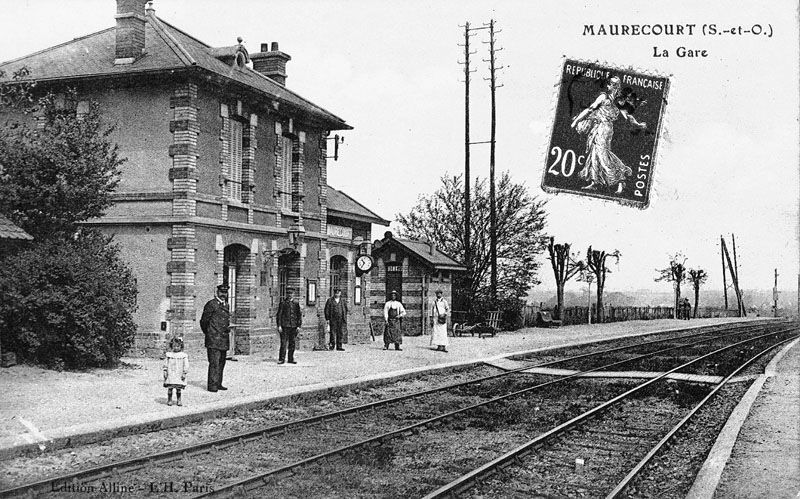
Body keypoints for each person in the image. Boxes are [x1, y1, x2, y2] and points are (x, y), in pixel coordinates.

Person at [570, 75, 647, 194]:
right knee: (595, 152)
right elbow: (628, 117)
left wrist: (576, 121)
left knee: (601, 154)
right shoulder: (619, 101)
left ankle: (620, 178)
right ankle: (595, 182)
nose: (608, 85)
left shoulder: (605, 97)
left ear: (613, 86)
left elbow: (590, 109)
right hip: (604, 128)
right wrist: (638, 124)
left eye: (610, 84)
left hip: (603, 128)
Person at [200, 284, 230, 392]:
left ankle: (218, 383)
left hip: (223, 338)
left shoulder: (226, 305)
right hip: (213, 339)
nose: (223, 295)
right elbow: (204, 321)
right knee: (214, 363)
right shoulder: (211, 304)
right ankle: (212, 385)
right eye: (222, 292)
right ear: (217, 292)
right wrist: (209, 333)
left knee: (222, 362)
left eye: (225, 293)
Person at [276, 289, 302, 364]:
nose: (290, 295)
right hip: (285, 326)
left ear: (293, 294)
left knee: (292, 343)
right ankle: (282, 359)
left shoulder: (296, 303)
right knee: (283, 343)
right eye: (288, 293)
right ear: (286, 294)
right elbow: (279, 315)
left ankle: (291, 359)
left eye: (291, 293)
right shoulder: (283, 303)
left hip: (293, 326)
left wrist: (298, 326)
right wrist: (279, 325)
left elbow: (299, 315)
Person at [163, 336, 188, 406]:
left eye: (178, 346)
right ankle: (169, 399)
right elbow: (166, 364)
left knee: (178, 388)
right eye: (174, 346)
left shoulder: (183, 355)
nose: (176, 348)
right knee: (170, 387)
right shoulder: (169, 355)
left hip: (178, 374)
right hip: (171, 373)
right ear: (171, 346)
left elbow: (186, 365)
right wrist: (165, 371)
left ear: (181, 346)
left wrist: (184, 373)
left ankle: (179, 400)